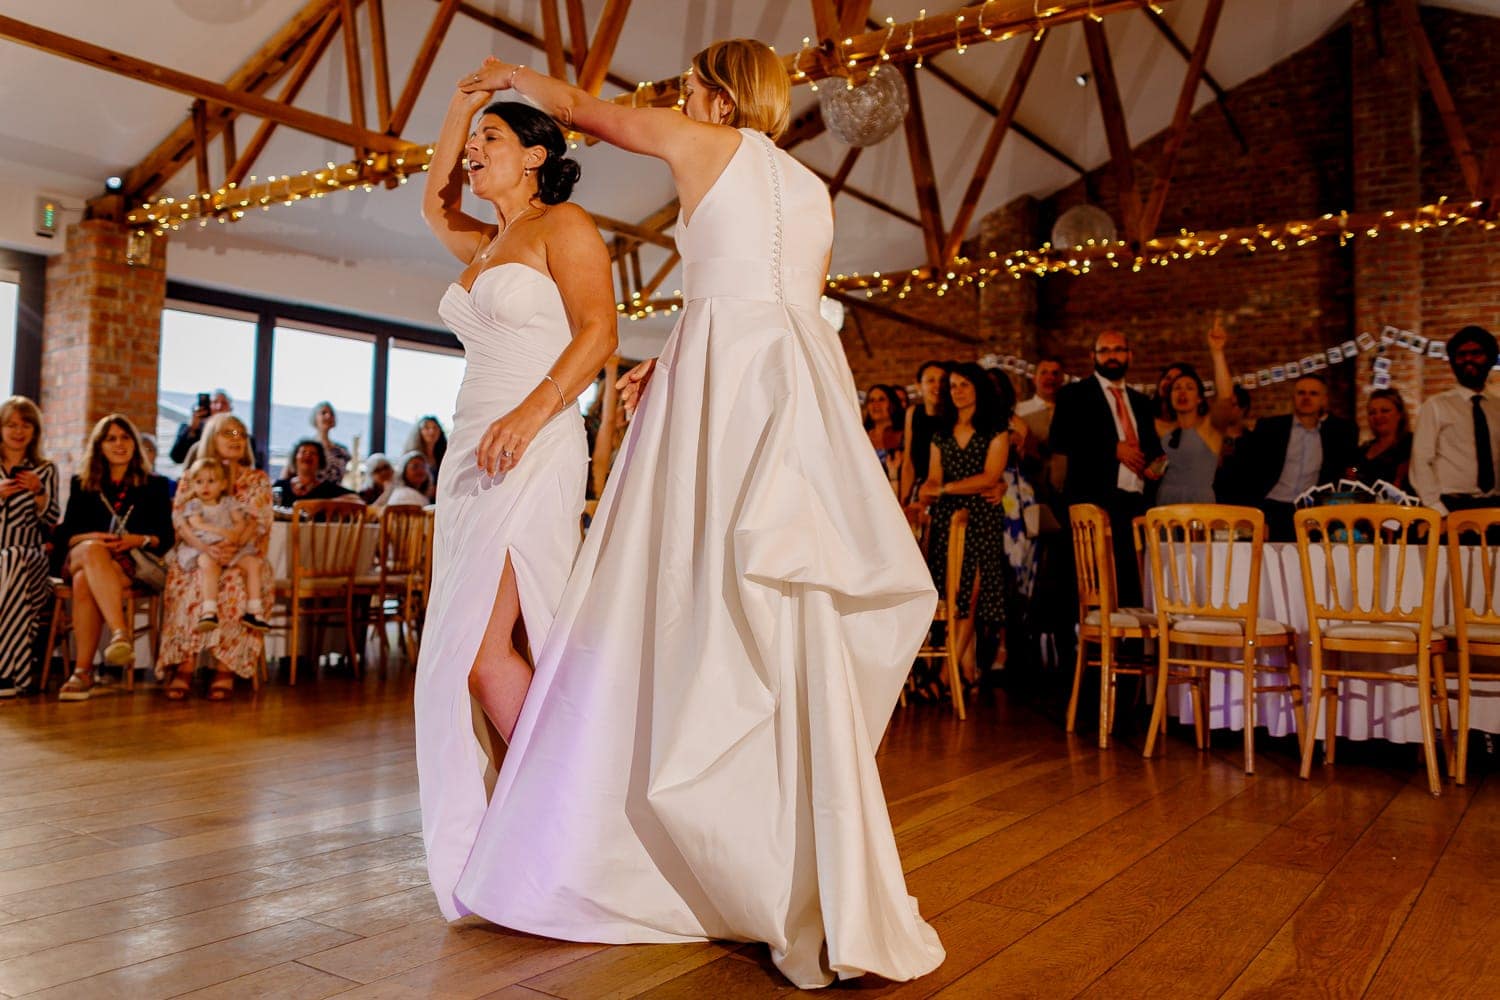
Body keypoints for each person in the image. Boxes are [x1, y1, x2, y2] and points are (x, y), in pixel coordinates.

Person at [432, 41, 945, 987]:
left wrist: (509, 79)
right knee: (776, 610)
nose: (682, 102)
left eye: (691, 89)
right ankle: (788, 852)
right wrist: (673, 361)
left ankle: (674, 837)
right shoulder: (814, 190)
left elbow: (583, 111)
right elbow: (774, 299)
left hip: (722, 388)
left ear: (716, 94)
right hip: (793, 389)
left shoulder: (705, 141)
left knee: (687, 597)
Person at [413, 53, 619, 965]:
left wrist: (532, 416)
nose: (474, 154)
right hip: (471, 450)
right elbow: (432, 204)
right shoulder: (485, 245)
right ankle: (537, 826)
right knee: (488, 646)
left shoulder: (563, 225)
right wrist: (461, 109)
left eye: (492, 139)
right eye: (474, 144)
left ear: (537, 155)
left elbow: (601, 334)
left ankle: (563, 813)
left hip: (531, 440)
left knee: (479, 648)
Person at [53, 414, 174, 701]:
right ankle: (121, 633)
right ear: (100, 446)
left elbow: (165, 536)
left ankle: (82, 672)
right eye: (111, 439)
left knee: (83, 582)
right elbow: (65, 535)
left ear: (134, 443)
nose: (119, 444)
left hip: (127, 563)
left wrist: (138, 539)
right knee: (92, 550)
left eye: (125, 437)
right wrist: (93, 537)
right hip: (81, 554)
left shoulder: (155, 485)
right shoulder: (82, 483)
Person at [157, 413, 273, 701]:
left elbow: (258, 521)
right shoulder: (193, 476)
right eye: (227, 433)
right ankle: (185, 664)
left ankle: (226, 667)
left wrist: (232, 547)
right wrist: (206, 548)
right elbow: (180, 521)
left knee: (235, 581)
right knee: (192, 579)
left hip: (241, 553)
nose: (236, 439)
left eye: (240, 434)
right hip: (199, 551)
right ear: (212, 438)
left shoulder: (257, 480)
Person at [1050, 330, 1164, 605]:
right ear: (1093, 356)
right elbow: (1062, 439)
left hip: (1135, 503)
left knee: (1131, 586)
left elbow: (1153, 448)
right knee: (1095, 585)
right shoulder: (1074, 395)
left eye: (1118, 350)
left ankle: (1129, 632)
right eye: (1105, 350)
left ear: (1130, 355)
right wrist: (1112, 448)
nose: (1112, 356)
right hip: (1095, 501)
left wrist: (1155, 467)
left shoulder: (1141, 402)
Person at [917, 363, 1009, 694]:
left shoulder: (995, 430)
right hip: (948, 521)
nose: (957, 391)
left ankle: (945, 677)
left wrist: (945, 489)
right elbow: (933, 478)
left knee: (970, 595)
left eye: (964, 384)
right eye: (953, 386)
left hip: (981, 520)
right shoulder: (941, 433)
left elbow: (990, 477)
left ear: (978, 388)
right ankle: (967, 672)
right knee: (953, 595)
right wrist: (933, 489)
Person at [1236, 372, 1357, 540]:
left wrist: (1352, 473)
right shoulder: (1270, 428)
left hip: (1311, 510)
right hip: (1272, 507)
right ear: (1293, 397)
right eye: (1301, 393)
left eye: (1313, 394)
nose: (1306, 398)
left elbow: (1350, 469)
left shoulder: (1337, 433)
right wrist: (1253, 514)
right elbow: (1249, 472)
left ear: (1324, 400)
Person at [0, 396, 59, 697]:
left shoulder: (45, 469)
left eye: (26, 425)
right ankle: (11, 674)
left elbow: (52, 519)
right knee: (8, 569)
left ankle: (7, 673)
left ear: (35, 431)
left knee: (13, 558)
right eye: (11, 425)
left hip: (29, 556)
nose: (18, 431)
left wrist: (39, 493)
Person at [1411, 325, 1500, 513]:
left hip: (1495, 506)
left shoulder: (1497, 407)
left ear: (1490, 358)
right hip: (1452, 506)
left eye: (1476, 353)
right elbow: (1421, 461)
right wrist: (1437, 509)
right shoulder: (1435, 406)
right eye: (1461, 355)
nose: (1468, 359)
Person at [177, 457, 269, 633]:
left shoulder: (228, 502)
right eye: (199, 482)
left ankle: (254, 610)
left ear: (222, 484)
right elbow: (197, 524)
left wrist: (234, 535)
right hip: (206, 546)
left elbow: (240, 522)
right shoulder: (195, 504)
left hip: (230, 545)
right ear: (193, 485)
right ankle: (209, 610)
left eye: (211, 481)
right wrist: (222, 531)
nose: (205, 487)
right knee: (207, 564)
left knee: (253, 563)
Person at [1154, 319, 1236, 506]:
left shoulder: (1210, 427)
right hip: (1165, 504)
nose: (1182, 392)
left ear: (1199, 398)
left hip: (1199, 504)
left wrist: (1217, 352)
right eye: (1177, 388)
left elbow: (1225, 397)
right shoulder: (1161, 427)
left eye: (1189, 388)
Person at [900, 360, 947, 512]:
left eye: (942, 380)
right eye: (931, 381)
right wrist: (904, 500)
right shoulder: (913, 413)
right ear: (918, 385)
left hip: (946, 489)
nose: (937, 386)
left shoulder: (953, 417)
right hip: (920, 490)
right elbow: (908, 463)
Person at [1352, 388, 1413, 493]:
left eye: (1385, 411)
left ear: (1400, 414)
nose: (1378, 416)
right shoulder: (1364, 448)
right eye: (1372, 413)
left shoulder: (1411, 444)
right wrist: (1352, 471)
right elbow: (1355, 468)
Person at [280, 402, 351, 486]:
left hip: (335, 493)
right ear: (315, 418)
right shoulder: (304, 448)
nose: (328, 416)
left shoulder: (342, 451)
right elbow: (285, 477)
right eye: (323, 413)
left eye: (331, 414)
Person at [272, 439, 356, 505]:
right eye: (303, 452)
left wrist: (326, 503)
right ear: (295, 458)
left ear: (320, 461)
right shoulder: (280, 486)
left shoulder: (327, 489)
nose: (308, 455)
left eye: (313, 453)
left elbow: (355, 498)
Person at [863, 383, 904, 492]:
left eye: (881, 399)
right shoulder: (861, 436)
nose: (876, 404)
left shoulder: (903, 436)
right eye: (871, 400)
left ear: (892, 404)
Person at [403, 415, 448, 496]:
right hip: (416, 498)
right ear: (419, 432)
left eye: (435, 427)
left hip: (440, 498)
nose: (432, 431)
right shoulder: (412, 457)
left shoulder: (444, 455)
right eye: (427, 428)